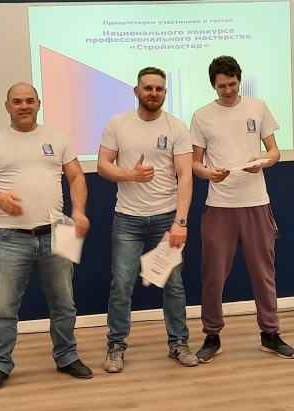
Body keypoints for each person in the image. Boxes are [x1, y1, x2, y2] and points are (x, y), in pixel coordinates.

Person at [0, 82, 92, 391]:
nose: (24, 106)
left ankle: (67, 356)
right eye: (17, 101)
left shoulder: (58, 138)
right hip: (12, 238)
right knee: (4, 309)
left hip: (58, 231)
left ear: (38, 104)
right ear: (7, 106)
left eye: (29, 101)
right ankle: (0, 364)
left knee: (65, 304)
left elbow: (76, 175)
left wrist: (78, 211)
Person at [189, 56, 294, 363]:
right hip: (219, 206)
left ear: (239, 80)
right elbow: (195, 163)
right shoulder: (202, 116)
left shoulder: (257, 107)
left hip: (256, 203)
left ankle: (270, 334)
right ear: (213, 85)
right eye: (221, 86)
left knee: (264, 274)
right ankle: (212, 336)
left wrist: (262, 161)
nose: (228, 90)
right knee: (213, 277)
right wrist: (208, 173)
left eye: (232, 84)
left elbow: (274, 152)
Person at [97, 67, 197, 373]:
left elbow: (185, 176)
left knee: (173, 284)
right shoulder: (118, 124)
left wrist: (180, 222)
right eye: (148, 88)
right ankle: (116, 346)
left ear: (165, 92)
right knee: (122, 285)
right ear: (137, 91)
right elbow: (102, 166)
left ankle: (178, 343)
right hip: (127, 219)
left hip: (166, 219)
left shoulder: (176, 127)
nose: (154, 93)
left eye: (159, 89)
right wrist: (131, 174)